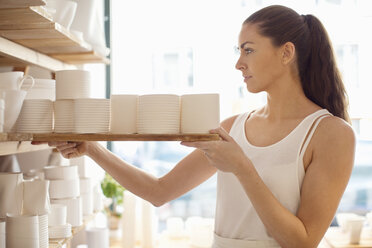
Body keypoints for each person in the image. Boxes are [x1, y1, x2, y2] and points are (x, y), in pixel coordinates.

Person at [36, 5, 356, 248]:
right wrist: (92, 149)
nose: (238, 63)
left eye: (249, 49)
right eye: (238, 51)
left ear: (286, 52)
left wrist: (243, 168)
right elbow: (159, 192)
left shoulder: (332, 134)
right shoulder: (234, 127)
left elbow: (303, 242)